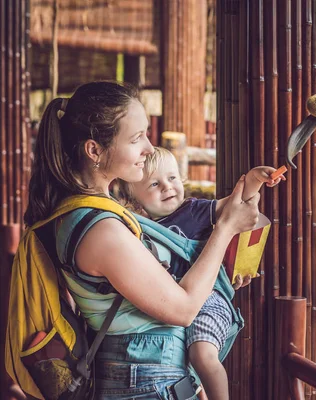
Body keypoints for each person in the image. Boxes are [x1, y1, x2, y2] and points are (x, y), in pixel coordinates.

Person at [23, 81, 260, 399]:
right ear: (95, 150)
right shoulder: (100, 229)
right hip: (144, 381)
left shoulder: (90, 212)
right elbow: (184, 309)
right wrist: (226, 228)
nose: (149, 149)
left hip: (149, 373)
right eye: (136, 139)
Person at [119, 147, 282, 400]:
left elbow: (234, 206)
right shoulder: (139, 230)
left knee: (202, 355)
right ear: (134, 199)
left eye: (172, 178)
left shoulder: (192, 211)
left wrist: (253, 181)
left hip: (208, 299)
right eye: (154, 183)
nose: (167, 187)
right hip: (174, 304)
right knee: (184, 364)